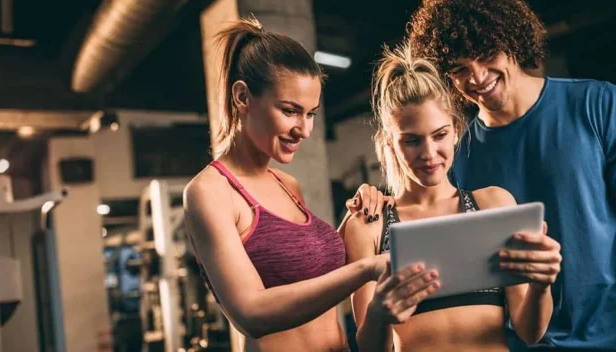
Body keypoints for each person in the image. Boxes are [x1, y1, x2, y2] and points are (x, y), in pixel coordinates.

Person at [407, 0, 616, 351]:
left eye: (487, 56)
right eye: (460, 69)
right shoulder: (454, 150)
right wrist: (375, 199)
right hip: (516, 343)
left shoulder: (600, 105)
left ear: (513, 43)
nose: (478, 78)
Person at [182, 18, 435, 352]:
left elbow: (313, 273)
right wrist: (367, 268)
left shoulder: (287, 184)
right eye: (290, 111)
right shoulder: (210, 192)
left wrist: (359, 213)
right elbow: (252, 314)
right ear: (243, 96)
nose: (304, 129)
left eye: (311, 113)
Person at [342, 42, 561, 352]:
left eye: (440, 135)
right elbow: (370, 349)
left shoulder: (493, 206)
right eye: (412, 141)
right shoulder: (369, 225)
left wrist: (541, 286)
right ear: (390, 143)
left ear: (456, 129)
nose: (429, 154)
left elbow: (529, 332)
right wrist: (379, 313)